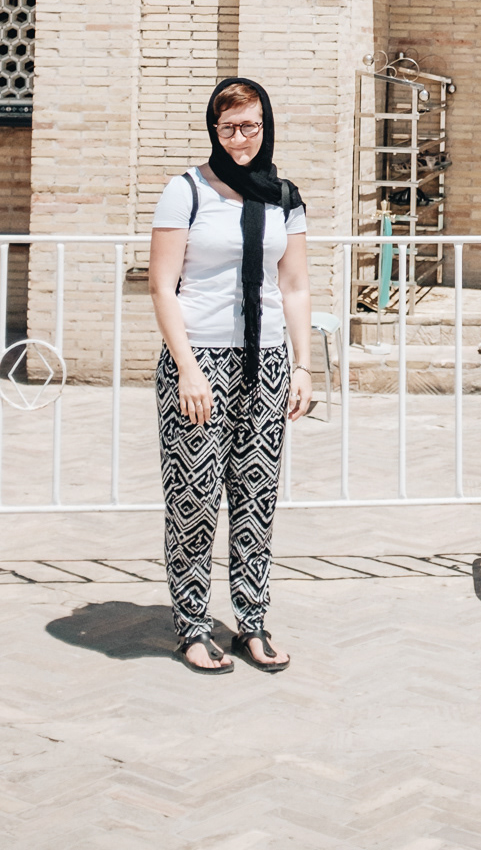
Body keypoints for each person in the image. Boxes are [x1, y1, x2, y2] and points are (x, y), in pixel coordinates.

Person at [149, 77, 312, 673]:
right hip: (200, 362)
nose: (241, 139)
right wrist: (188, 369)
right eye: (229, 127)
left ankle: (252, 622)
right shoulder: (186, 190)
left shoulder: (284, 196)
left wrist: (301, 364)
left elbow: (292, 286)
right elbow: (163, 287)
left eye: (251, 126)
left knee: (256, 500)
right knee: (192, 501)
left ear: (266, 126)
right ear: (213, 130)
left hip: (265, 362)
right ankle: (192, 626)